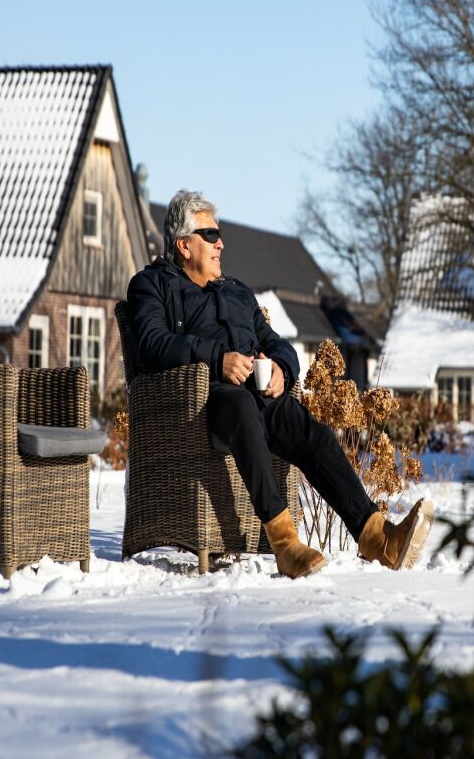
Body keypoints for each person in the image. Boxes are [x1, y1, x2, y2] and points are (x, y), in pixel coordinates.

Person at [127, 190, 433, 579]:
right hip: (204, 404)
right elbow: (152, 345)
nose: (221, 243)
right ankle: (285, 545)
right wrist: (216, 361)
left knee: (311, 430)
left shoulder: (237, 292)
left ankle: (377, 539)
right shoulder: (152, 285)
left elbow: (277, 343)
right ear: (184, 245)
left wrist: (281, 371)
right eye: (210, 235)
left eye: (219, 235)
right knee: (240, 406)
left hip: (259, 400)